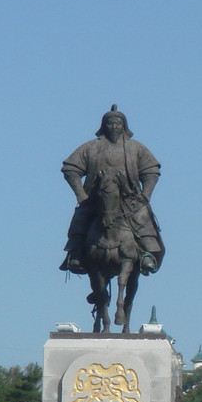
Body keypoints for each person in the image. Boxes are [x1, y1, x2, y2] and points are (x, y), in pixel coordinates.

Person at [60, 105, 164, 276]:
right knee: (81, 218)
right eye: (110, 123)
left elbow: (151, 170)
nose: (114, 127)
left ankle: (147, 254)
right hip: (96, 198)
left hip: (130, 199)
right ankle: (75, 254)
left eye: (118, 123)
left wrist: (145, 194)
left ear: (124, 126)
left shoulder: (135, 148)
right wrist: (81, 194)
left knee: (143, 217)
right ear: (104, 125)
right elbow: (70, 168)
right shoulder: (91, 147)